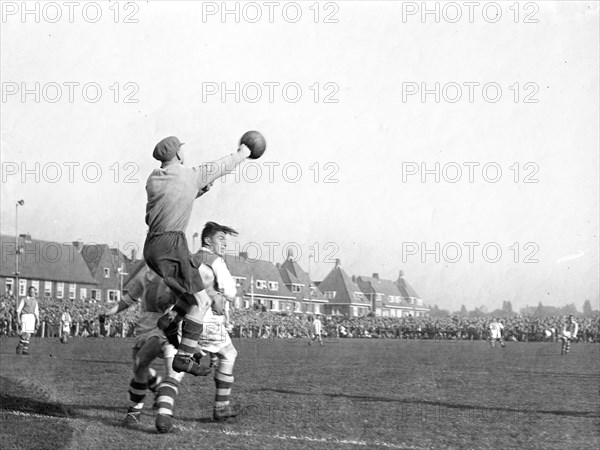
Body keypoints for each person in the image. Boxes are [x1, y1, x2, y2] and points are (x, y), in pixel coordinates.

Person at [144, 135, 250, 376]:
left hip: (151, 246)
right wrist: (243, 153)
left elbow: (163, 208)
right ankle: (183, 358)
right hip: (172, 244)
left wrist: (198, 190)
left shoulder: (153, 179)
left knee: (192, 293)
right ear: (179, 155)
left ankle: (169, 321)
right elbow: (220, 166)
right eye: (182, 150)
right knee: (202, 301)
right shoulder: (188, 175)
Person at [101, 267, 199, 433]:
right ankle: (141, 406)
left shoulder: (177, 272)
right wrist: (108, 313)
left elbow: (189, 298)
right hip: (145, 326)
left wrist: (172, 297)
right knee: (139, 365)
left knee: (172, 369)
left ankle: (161, 414)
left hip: (169, 325)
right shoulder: (144, 275)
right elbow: (128, 299)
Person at [192, 221, 240, 421]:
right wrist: (218, 294)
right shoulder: (216, 261)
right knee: (229, 354)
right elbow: (231, 291)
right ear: (207, 240)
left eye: (226, 240)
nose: (224, 244)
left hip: (186, 319)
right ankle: (221, 406)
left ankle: (162, 406)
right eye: (220, 239)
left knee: (174, 364)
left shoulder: (189, 259)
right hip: (208, 320)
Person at [16, 286, 40, 355]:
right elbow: (18, 310)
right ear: (28, 292)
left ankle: (25, 350)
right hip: (25, 316)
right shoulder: (24, 299)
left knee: (29, 335)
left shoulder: (35, 301)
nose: (32, 293)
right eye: (31, 291)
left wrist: (38, 320)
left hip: (32, 317)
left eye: (33, 292)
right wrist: (18, 318)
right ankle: (19, 346)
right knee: (24, 334)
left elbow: (36, 312)